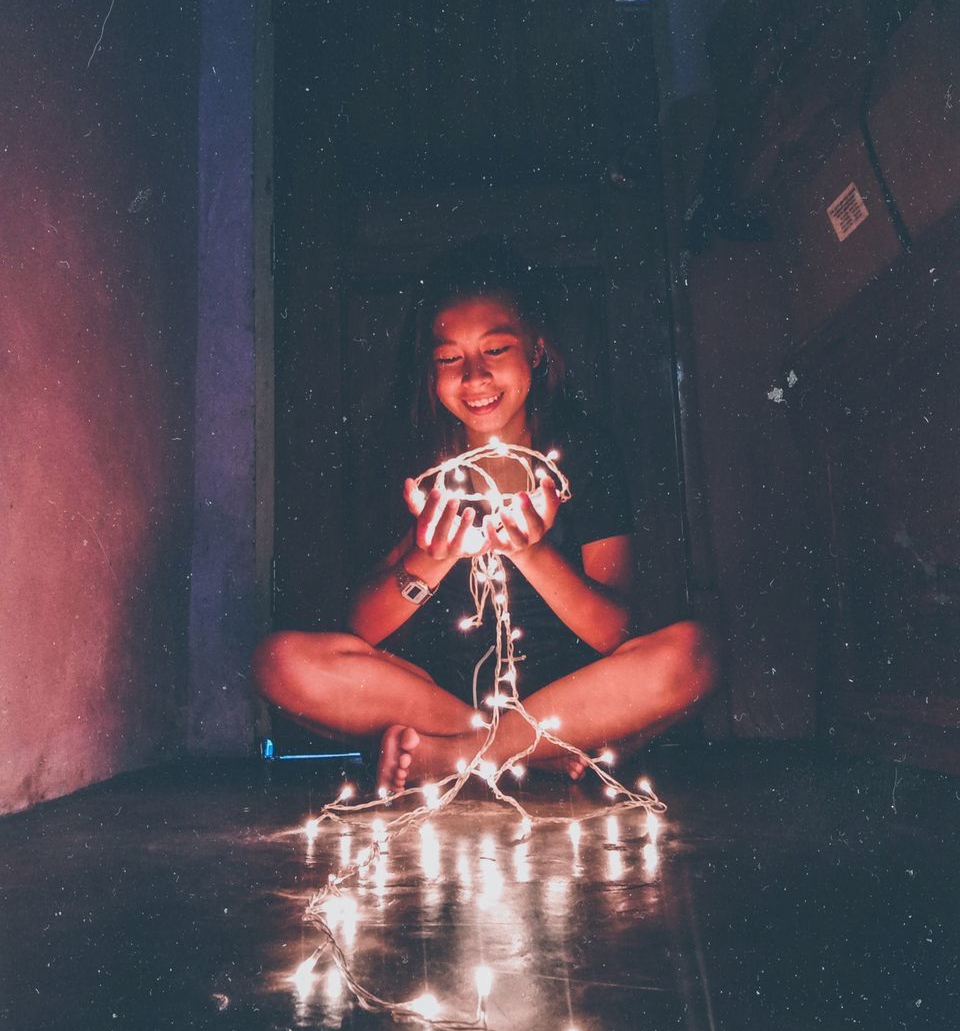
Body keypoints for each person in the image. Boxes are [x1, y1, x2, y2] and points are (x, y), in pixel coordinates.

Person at [252, 238, 716, 793]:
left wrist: (533, 554)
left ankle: (459, 759)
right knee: (278, 662)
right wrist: (429, 558)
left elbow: (616, 632)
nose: (474, 377)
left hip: (576, 695)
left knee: (696, 653)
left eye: (495, 350)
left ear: (536, 352)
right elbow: (362, 628)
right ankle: (530, 751)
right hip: (439, 700)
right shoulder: (420, 464)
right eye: (450, 359)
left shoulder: (581, 454)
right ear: (430, 370)